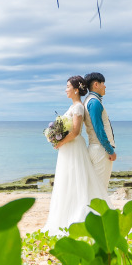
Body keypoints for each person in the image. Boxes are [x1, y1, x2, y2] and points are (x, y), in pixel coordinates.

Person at [42, 76, 110, 236]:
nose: (65, 89)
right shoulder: (73, 106)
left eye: (67, 86)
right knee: (67, 182)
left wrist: (60, 142)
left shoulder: (79, 107)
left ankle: (81, 218)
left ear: (76, 89)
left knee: (76, 181)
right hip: (68, 148)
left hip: (73, 147)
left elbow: (76, 131)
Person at [82, 72, 116, 190]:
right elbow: (99, 129)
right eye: (103, 84)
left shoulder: (88, 101)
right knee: (100, 189)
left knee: (94, 188)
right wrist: (110, 150)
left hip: (94, 147)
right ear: (96, 84)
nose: (105, 86)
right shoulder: (94, 102)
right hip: (100, 150)